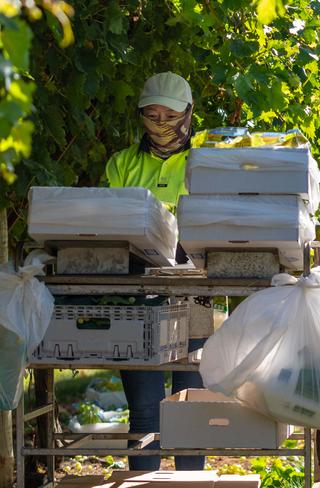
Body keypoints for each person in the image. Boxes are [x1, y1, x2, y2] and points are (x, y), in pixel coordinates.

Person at [105, 72, 207, 471]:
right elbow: (114, 224)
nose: (161, 123)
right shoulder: (122, 164)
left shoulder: (204, 163)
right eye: (152, 114)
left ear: (187, 115)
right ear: (140, 115)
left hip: (198, 291)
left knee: (191, 409)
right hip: (137, 293)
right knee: (145, 412)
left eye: (170, 114)